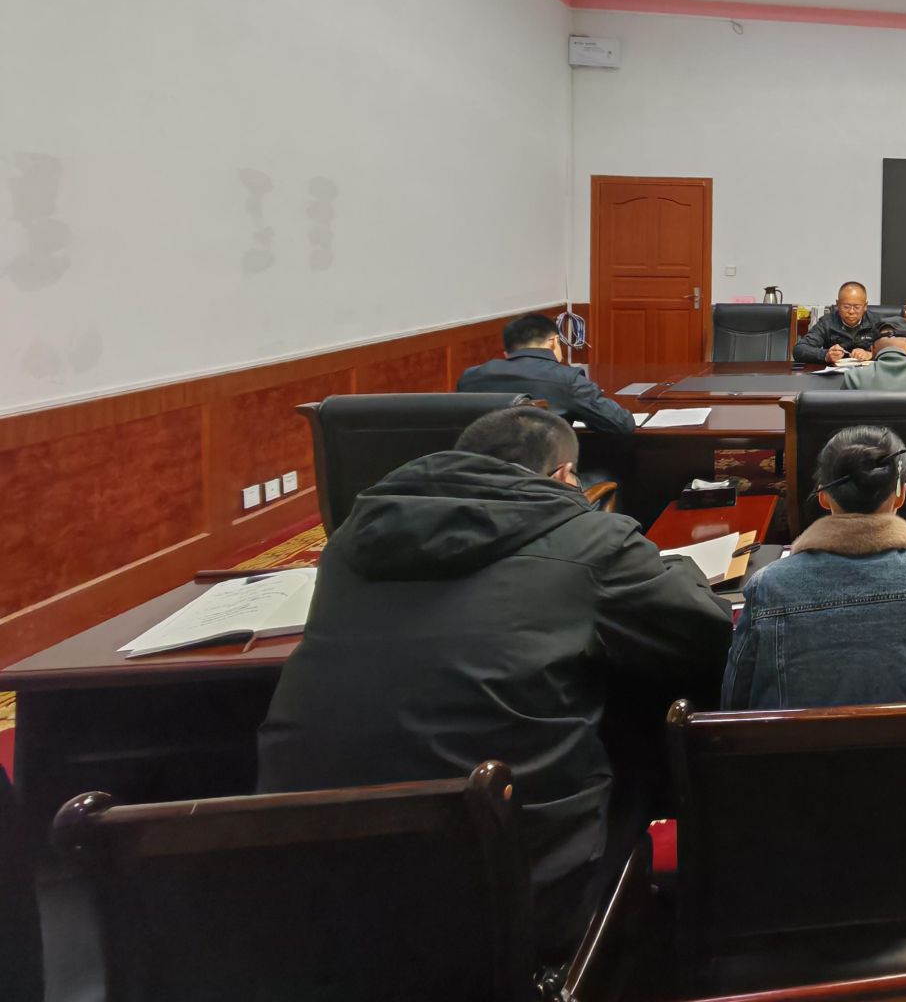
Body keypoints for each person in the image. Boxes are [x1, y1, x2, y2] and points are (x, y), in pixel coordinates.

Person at [257, 407, 732, 956]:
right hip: (508, 891)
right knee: (650, 729)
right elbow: (703, 634)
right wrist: (679, 570)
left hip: (311, 879)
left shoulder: (349, 541)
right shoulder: (590, 537)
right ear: (564, 476)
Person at [726, 426, 906, 708]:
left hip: (796, 741)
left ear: (823, 496)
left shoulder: (767, 585)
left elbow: (734, 700)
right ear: (901, 494)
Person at [458, 313, 635, 432]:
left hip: (478, 471)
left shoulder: (470, 377)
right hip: (544, 473)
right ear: (553, 342)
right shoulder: (567, 379)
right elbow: (622, 423)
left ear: (507, 353)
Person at [794, 282, 906, 364]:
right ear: (837, 304)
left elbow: (896, 350)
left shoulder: (877, 322)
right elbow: (799, 349)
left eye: (857, 307)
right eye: (846, 307)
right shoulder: (827, 322)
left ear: (865, 306)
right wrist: (825, 355)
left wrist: (871, 354)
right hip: (834, 377)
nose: (851, 312)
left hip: (868, 377)